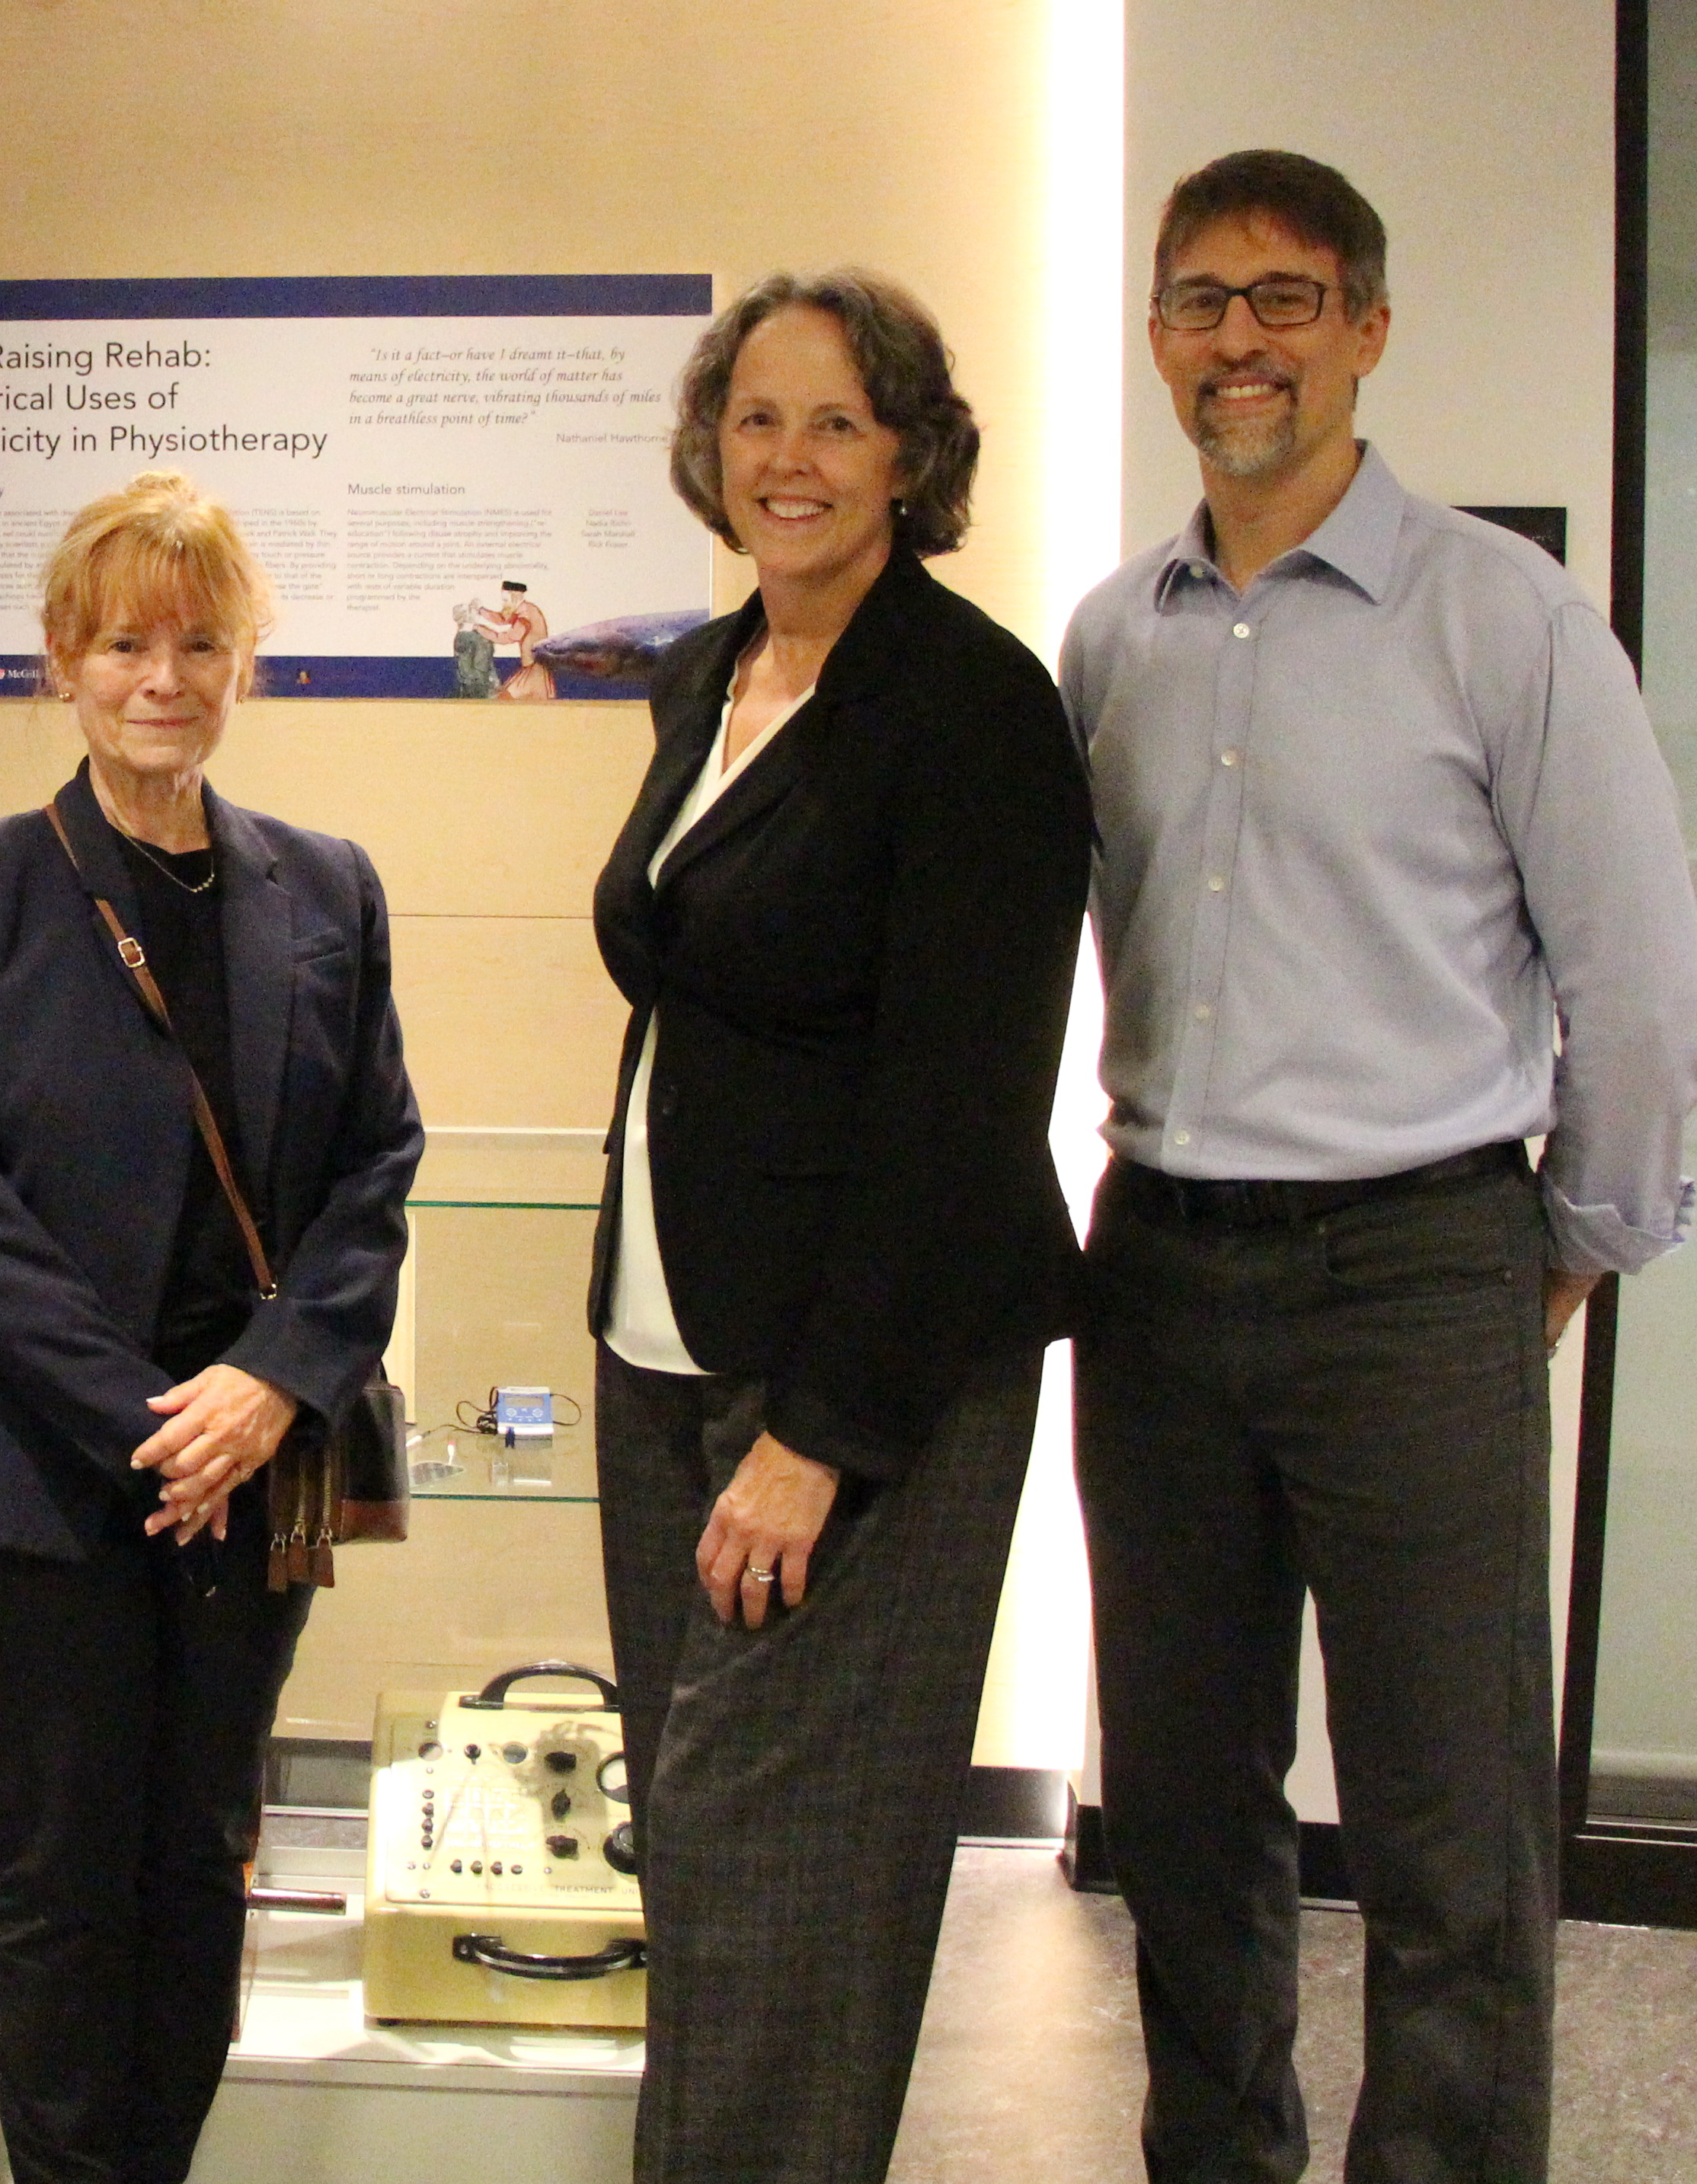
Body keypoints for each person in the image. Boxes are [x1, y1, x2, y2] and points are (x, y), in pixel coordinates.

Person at [1062, 148, 1697, 2183]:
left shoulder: (1500, 619)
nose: (1237, 340)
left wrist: (1565, 1244)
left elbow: (1636, 973)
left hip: (1418, 1266)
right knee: (1181, 1817)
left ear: (1365, 327)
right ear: (1157, 334)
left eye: (1283, 297)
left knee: (1445, 1835)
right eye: (1199, 301)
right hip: (1152, 1274)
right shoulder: (1110, 640)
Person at [586, 270, 1090, 2183]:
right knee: (710, 1877)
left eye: (833, 424)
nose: (787, 461)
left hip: (851, 1393)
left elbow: (966, 1105)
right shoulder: (710, 673)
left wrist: (817, 1436)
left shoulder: (967, 710)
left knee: (794, 1899)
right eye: (756, 420)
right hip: (661, 1350)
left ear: (909, 455)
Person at [0, 470, 420, 2184]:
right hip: (41, 1468)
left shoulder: (326, 887)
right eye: (125, 642)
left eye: (199, 642)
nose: (162, 677)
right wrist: (149, 1417)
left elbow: (376, 1161)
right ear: (62, 657)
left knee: (202, 1851)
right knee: (61, 1865)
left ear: (244, 659)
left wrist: (267, 1390)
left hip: (251, 1460)